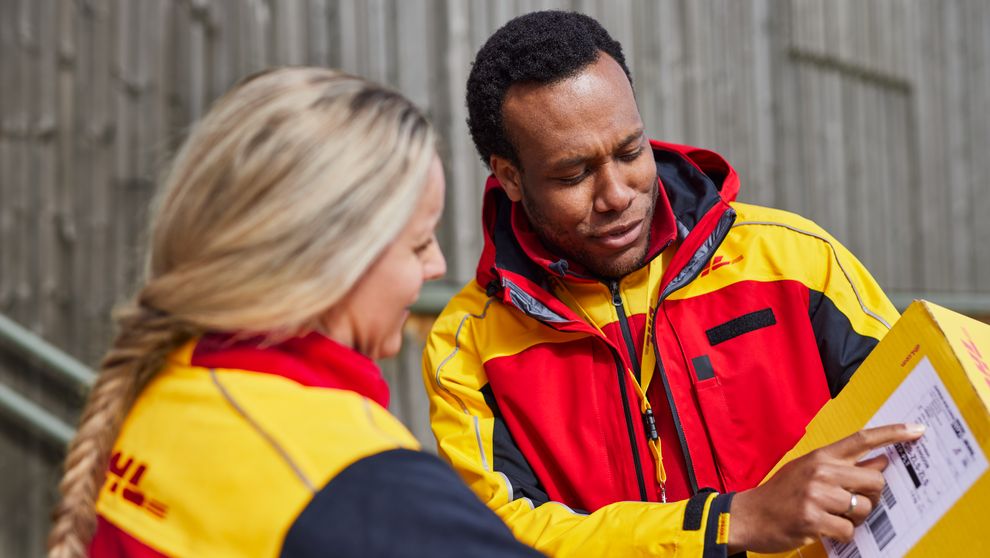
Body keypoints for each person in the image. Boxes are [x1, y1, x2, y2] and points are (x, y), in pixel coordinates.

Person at [422, 10, 916, 556]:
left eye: (631, 151)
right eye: (573, 175)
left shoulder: (795, 260)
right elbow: (503, 537)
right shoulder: (467, 347)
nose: (616, 194)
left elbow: (923, 426)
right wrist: (726, 523)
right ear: (511, 177)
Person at [47, 68, 540, 558]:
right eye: (417, 244)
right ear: (330, 257)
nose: (438, 265)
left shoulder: (164, 388)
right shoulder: (364, 490)